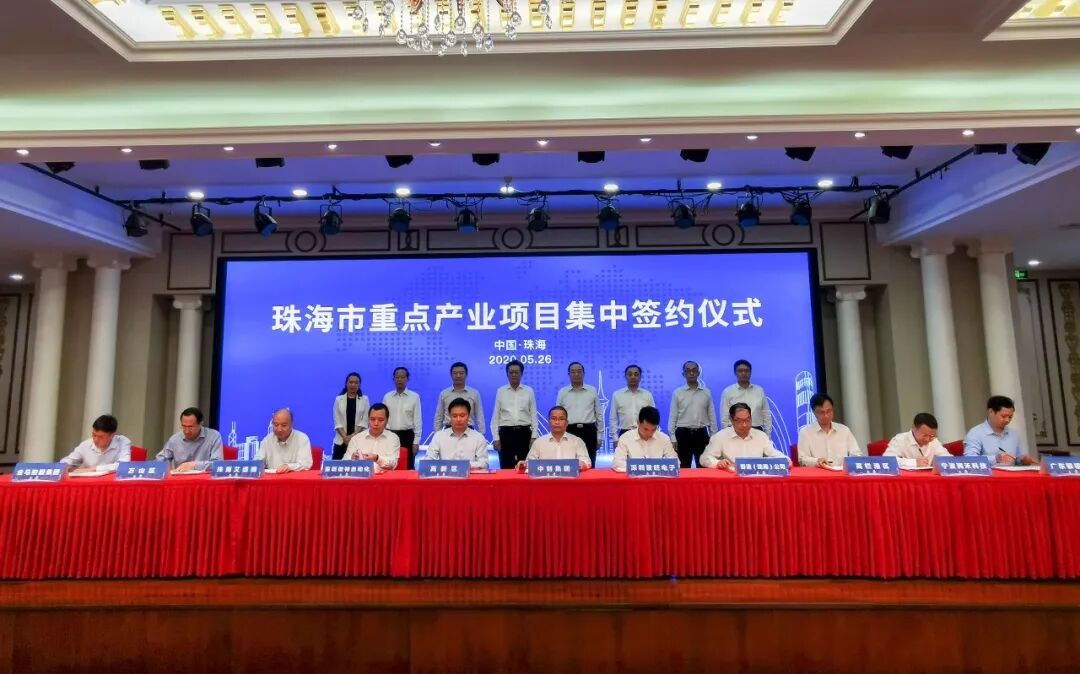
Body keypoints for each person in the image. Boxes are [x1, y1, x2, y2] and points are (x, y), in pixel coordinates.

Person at [701, 403, 788, 469]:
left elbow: (774, 454)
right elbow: (704, 458)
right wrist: (717, 463)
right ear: (731, 420)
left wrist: (786, 461)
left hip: (755, 479)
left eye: (747, 420)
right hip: (731, 479)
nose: (744, 425)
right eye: (739, 421)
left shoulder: (761, 436)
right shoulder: (720, 437)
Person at [668, 360, 718, 468]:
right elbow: (673, 417)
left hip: (701, 434)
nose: (691, 373)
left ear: (698, 373)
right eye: (688, 370)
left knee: (704, 466)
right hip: (682, 434)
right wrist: (672, 437)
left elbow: (712, 416)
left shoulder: (706, 393)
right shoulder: (678, 393)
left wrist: (714, 436)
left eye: (694, 370)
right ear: (683, 374)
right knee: (683, 467)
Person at [963, 395, 1038, 465]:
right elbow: (969, 459)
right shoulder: (975, 433)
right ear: (991, 412)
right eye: (1003, 416)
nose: (1007, 420)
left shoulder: (1014, 434)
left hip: (1011, 473)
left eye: (1010, 417)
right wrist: (996, 459)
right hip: (989, 474)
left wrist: (1024, 459)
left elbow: (1018, 458)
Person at [556, 362, 603, 469]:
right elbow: (558, 414)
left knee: (589, 462)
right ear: (569, 374)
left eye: (579, 371)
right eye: (573, 372)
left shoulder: (592, 390)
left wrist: (599, 436)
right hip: (569, 430)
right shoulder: (563, 392)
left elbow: (599, 414)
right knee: (569, 461)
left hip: (589, 431)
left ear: (583, 373)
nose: (576, 374)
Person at [492, 359, 537, 469]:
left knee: (525, 467)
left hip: (524, 434)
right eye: (511, 372)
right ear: (507, 374)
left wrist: (534, 437)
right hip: (506, 434)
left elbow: (533, 415)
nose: (513, 375)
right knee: (506, 466)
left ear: (521, 373)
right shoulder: (501, 391)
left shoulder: (529, 391)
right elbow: (496, 416)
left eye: (516, 372)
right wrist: (496, 438)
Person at [796, 393, 862, 468]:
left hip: (842, 472)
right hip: (819, 472)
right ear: (814, 412)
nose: (826, 415)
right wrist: (817, 461)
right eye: (821, 412)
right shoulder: (805, 432)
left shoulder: (844, 430)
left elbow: (856, 454)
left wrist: (852, 462)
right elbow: (802, 459)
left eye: (829, 411)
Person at [518, 406, 591, 472]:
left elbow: (586, 463)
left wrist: (578, 465)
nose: (557, 422)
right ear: (549, 422)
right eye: (553, 418)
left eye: (561, 419)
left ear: (567, 423)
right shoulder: (539, 442)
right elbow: (529, 463)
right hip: (545, 481)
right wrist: (523, 465)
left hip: (570, 481)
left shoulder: (577, 441)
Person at [425, 398, 489, 471]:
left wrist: (464, 465)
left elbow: (484, 463)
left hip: (470, 476)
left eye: (462, 415)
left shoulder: (478, 438)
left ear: (468, 416)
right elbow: (428, 459)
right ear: (450, 417)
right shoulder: (439, 436)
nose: (458, 419)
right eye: (454, 416)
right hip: (445, 477)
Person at [156, 406, 223, 471]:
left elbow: (218, 464)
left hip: (204, 477)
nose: (186, 431)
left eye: (191, 427)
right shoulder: (175, 439)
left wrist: (194, 465)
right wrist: (167, 468)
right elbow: (160, 459)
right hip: (181, 477)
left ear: (201, 424)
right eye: (184, 426)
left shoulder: (213, 436)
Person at [612, 406, 677, 472]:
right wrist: (641, 468)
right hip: (634, 477)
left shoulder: (664, 439)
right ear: (638, 422)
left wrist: (658, 468)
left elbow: (676, 462)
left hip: (657, 477)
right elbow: (617, 464)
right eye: (646, 429)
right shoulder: (625, 438)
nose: (649, 433)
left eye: (653, 429)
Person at [60, 414, 132, 472]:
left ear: (112, 435)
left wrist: (93, 469)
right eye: (94, 435)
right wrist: (67, 467)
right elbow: (67, 461)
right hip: (90, 483)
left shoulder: (122, 442)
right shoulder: (86, 444)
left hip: (112, 484)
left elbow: (123, 465)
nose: (95, 440)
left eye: (100, 437)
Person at [383, 366, 421, 469]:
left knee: (408, 466)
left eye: (402, 377)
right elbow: (383, 418)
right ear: (393, 379)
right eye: (397, 377)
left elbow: (417, 421)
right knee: (388, 464)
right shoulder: (387, 397)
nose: (399, 379)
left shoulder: (414, 397)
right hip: (390, 435)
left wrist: (416, 442)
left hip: (407, 436)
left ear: (407, 379)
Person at [720, 359, 772, 436]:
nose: (743, 373)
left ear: (750, 372)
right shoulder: (728, 391)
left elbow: (766, 413)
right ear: (735, 373)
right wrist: (727, 435)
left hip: (756, 431)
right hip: (735, 432)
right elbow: (724, 416)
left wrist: (768, 435)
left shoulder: (759, 390)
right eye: (740, 371)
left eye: (746, 371)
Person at [433, 361, 486, 436]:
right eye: (455, 373)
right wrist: (437, 434)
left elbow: (479, 415)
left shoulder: (474, 393)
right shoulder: (444, 394)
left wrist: (481, 434)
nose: (458, 376)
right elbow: (439, 416)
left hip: (468, 431)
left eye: (461, 373)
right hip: (448, 431)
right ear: (451, 375)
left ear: (466, 374)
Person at [608, 364, 655, 445]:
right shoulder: (617, 395)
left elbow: (653, 417)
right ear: (625, 376)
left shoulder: (647, 395)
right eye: (630, 374)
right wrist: (615, 438)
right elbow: (613, 418)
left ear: (640, 377)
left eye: (636, 374)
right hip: (624, 433)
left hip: (644, 433)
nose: (633, 377)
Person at [346, 403, 400, 473]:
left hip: (384, 478)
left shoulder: (393, 438)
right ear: (368, 420)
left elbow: (393, 464)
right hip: (361, 477)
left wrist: (376, 458)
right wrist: (352, 460)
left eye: (380, 420)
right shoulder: (356, 439)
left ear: (387, 421)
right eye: (372, 419)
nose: (376, 423)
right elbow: (344, 463)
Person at [885, 412, 951, 469]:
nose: (927, 439)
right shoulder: (900, 440)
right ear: (914, 428)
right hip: (908, 479)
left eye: (932, 436)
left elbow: (948, 459)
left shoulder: (934, 441)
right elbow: (887, 460)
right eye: (924, 435)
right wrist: (914, 463)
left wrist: (942, 462)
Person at [257, 408, 313, 473]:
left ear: (292, 424)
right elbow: (257, 461)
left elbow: (306, 464)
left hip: (293, 478)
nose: (279, 429)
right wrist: (259, 464)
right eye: (276, 425)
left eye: (284, 425)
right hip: (272, 478)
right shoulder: (267, 440)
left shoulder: (302, 438)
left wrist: (289, 467)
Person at [332, 372, 369, 460]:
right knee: (337, 466)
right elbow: (337, 421)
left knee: (357, 466)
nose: (353, 385)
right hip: (341, 441)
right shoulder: (338, 399)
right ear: (346, 383)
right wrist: (345, 438)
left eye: (356, 383)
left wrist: (352, 436)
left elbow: (364, 421)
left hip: (358, 440)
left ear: (359, 385)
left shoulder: (364, 400)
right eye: (351, 382)